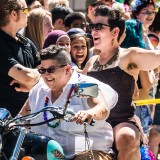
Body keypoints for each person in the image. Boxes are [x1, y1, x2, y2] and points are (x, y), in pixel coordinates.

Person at [82, 5, 160, 160]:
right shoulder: (90, 63)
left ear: (115, 32)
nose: (93, 31)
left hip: (122, 121)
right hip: (94, 123)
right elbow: (81, 94)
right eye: (92, 26)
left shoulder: (129, 56)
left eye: (99, 26)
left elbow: (157, 57)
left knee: (127, 137)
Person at [19, 45, 118, 160]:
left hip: (86, 152)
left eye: (51, 70)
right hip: (47, 155)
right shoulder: (38, 90)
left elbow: (102, 108)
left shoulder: (83, 85)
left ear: (67, 69)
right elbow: (22, 117)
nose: (46, 75)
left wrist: (90, 113)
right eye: (42, 70)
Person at [0, 0, 40, 117]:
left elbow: (46, 74)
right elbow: (28, 77)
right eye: (25, 10)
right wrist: (31, 80)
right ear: (14, 14)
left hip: (30, 116)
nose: (28, 13)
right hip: (6, 120)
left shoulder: (26, 42)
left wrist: (30, 85)